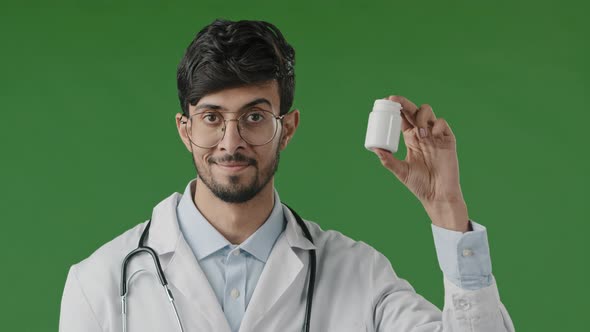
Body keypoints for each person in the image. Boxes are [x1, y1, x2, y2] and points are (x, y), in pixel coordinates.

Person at [59, 18, 515, 332]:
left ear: (287, 128)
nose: (231, 142)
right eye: (212, 118)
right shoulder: (99, 282)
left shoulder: (358, 275)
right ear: (185, 129)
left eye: (255, 117)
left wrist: (448, 211)